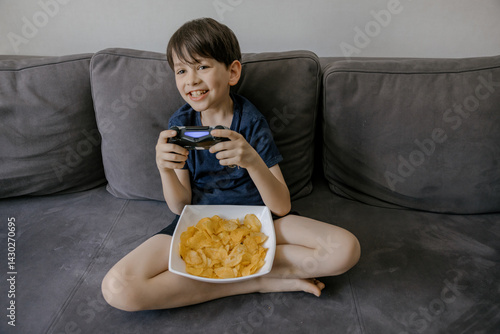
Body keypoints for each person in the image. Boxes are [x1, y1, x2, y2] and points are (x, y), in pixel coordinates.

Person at [101, 17, 360, 311]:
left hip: (262, 219)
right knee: (118, 288)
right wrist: (164, 170)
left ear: (232, 72)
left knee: (345, 249)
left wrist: (251, 160)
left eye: (202, 66)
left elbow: (281, 207)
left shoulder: (250, 121)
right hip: (199, 224)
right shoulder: (180, 125)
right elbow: (179, 205)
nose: (192, 80)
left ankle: (232, 272)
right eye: (181, 70)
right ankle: (256, 280)